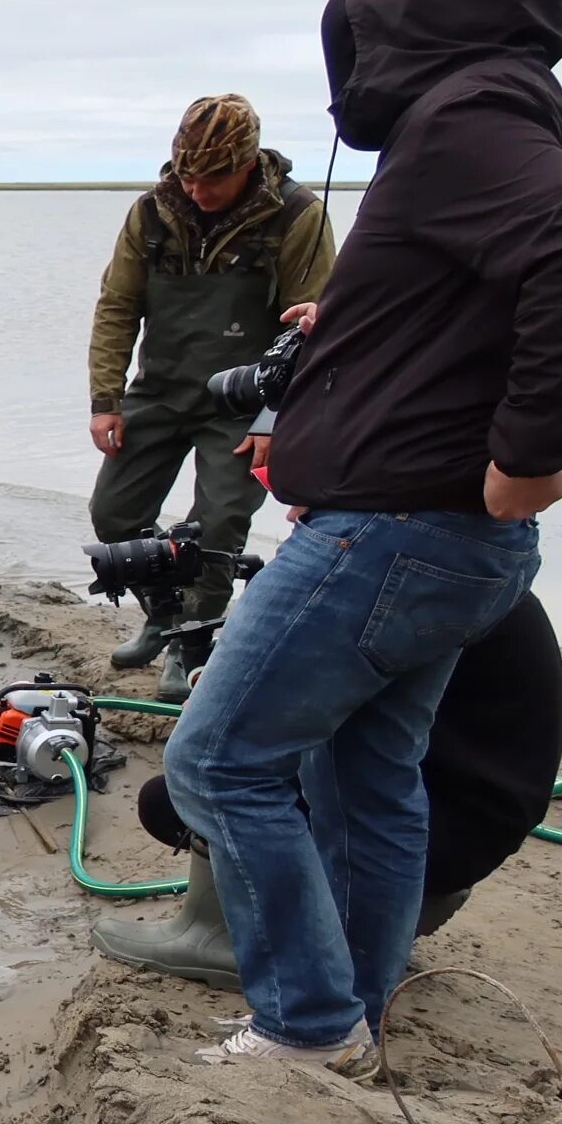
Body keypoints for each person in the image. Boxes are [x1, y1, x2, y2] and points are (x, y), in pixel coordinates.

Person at [164, 0, 562, 1071]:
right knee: (368, 772)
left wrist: (530, 457)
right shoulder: (501, 112)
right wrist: (354, 326)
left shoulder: (465, 115)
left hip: (392, 536)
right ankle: (360, 1008)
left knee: (215, 760)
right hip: (446, 544)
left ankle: (306, 1022)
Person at [99, 594, 562, 985]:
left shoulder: (398, 577)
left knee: (202, 781)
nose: (292, 514)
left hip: (436, 830)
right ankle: (386, 915)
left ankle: (225, 941)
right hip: (472, 822)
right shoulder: (470, 568)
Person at [87, 97, 337, 702]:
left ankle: (192, 646)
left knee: (220, 524)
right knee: (113, 515)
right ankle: (163, 614)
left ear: (248, 163)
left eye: (213, 178)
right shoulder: (151, 212)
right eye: (188, 175)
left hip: (245, 400)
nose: (197, 190)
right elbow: (117, 306)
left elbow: (317, 328)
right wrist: (105, 397)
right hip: (160, 389)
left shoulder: (297, 216)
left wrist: (275, 418)